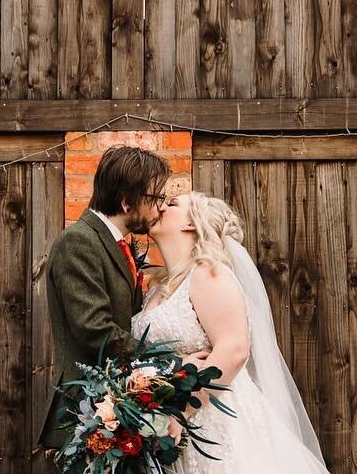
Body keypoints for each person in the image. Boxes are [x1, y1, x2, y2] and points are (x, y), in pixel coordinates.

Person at [133, 191, 331, 474]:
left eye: (173, 204)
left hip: (214, 422)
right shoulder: (156, 289)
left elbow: (234, 349)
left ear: (191, 223)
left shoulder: (207, 273)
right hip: (170, 424)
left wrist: (180, 410)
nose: (162, 206)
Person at [38, 145, 173, 465]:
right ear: (127, 201)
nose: (160, 208)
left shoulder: (118, 244)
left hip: (120, 407)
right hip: (87, 413)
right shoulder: (78, 241)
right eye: (154, 199)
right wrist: (166, 362)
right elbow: (94, 329)